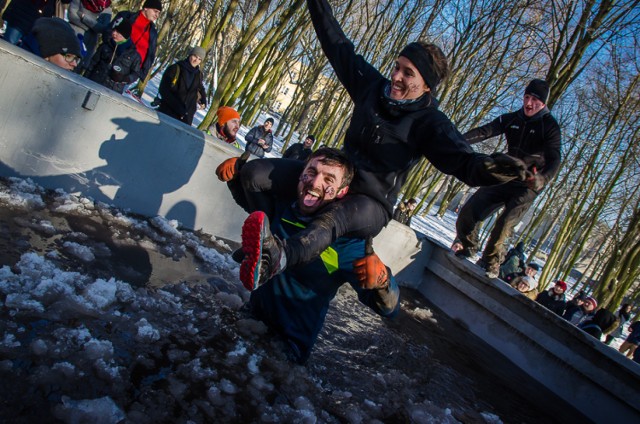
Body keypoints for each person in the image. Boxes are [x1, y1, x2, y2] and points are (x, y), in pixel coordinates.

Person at [216, 0, 528, 289]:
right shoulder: (372, 88)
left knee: (333, 217)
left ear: (426, 86)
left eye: (408, 73)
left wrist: (488, 171)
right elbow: (337, 46)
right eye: (396, 67)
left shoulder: (430, 123)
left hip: (371, 202)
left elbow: (462, 161)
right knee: (254, 175)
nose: (396, 77)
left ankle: (279, 258)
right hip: (339, 179)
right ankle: (261, 244)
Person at [221, 147, 400, 364]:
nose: (315, 184)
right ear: (300, 174)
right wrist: (235, 178)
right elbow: (254, 210)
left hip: (285, 353)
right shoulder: (284, 208)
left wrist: (382, 281)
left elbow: (389, 310)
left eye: (328, 179)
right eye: (312, 172)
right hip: (248, 320)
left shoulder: (348, 245)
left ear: (342, 192)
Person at [453, 78, 562, 278]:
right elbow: (485, 131)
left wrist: (543, 179)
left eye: (535, 100)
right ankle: (469, 247)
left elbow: (555, 158)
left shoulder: (550, 126)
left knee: (503, 226)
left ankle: (490, 262)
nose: (529, 104)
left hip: (529, 184)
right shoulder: (511, 119)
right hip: (506, 176)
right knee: (467, 215)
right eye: (527, 97)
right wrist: (456, 140)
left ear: (544, 103)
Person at [108, 0, 161, 84]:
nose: (157, 15)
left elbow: (150, 56)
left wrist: (136, 75)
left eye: (159, 13)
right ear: (146, 8)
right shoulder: (127, 17)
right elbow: (108, 34)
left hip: (128, 74)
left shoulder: (153, 33)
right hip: (110, 62)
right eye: (155, 11)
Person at [85, 16, 140, 94]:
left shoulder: (134, 55)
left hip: (113, 91)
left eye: (118, 32)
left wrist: (124, 78)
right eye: (113, 30)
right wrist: (85, 80)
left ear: (125, 35)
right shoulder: (105, 46)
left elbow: (136, 73)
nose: (114, 33)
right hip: (95, 83)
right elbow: (92, 64)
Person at [157, 46, 207, 126]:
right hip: (168, 112)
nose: (196, 60)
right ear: (190, 55)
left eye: (199, 59)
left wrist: (203, 99)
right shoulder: (175, 68)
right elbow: (164, 90)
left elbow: (200, 87)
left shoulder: (199, 75)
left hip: (186, 118)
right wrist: (178, 107)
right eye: (195, 56)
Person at [67, 0, 113, 73]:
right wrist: (90, 28)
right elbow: (72, 15)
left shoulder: (107, 9)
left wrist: (84, 18)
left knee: (76, 71)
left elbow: (103, 28)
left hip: (88, 43)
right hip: (72, 36)